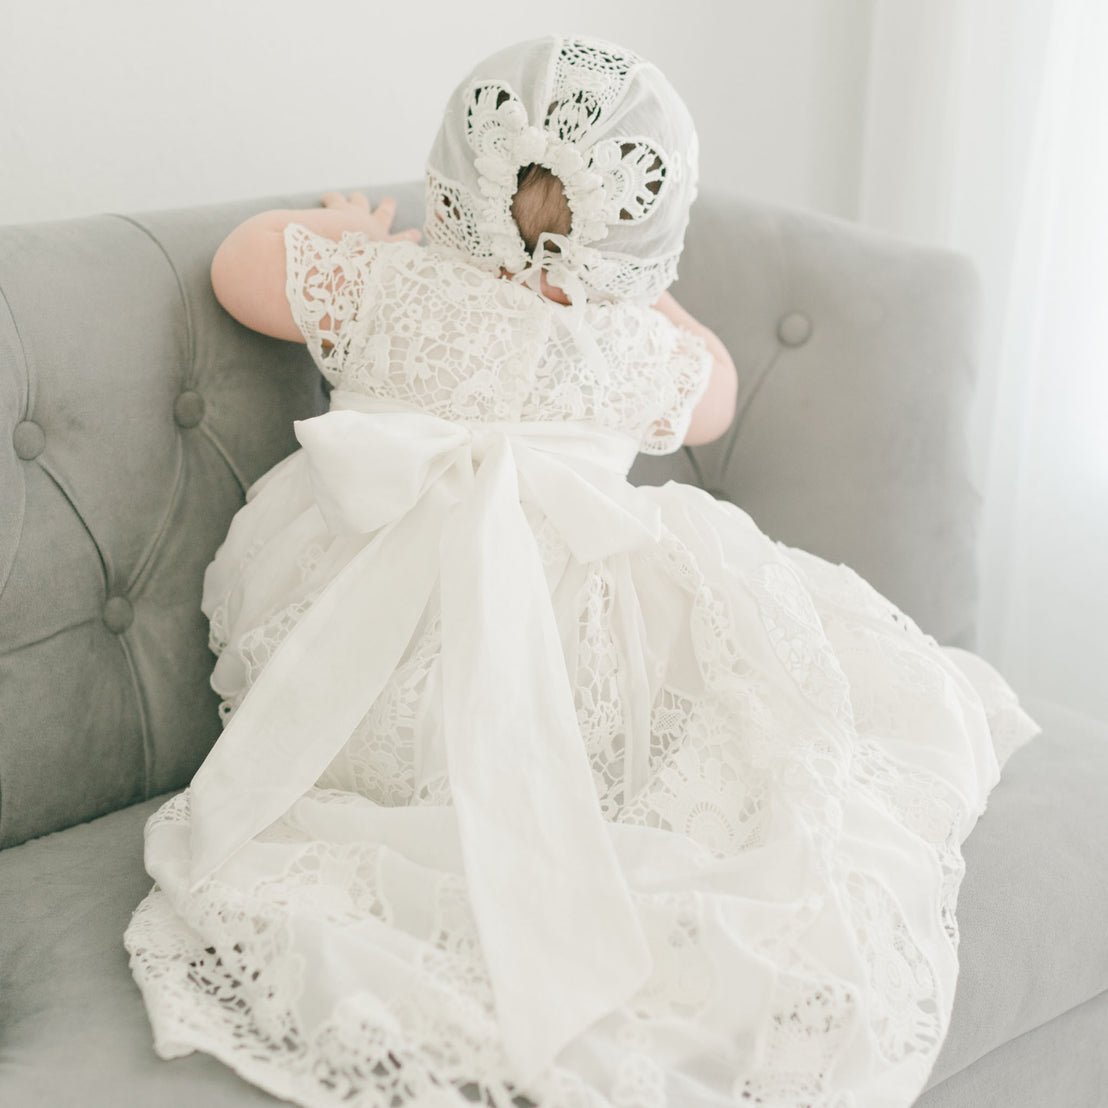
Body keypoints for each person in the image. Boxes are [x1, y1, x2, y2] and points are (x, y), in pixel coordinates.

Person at [124, 35, 1038, 1108]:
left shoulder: (388, 280)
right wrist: (654, 305)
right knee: (694, 704)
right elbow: (718, 396)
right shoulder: (634, 343)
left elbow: (241, 267)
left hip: (364, 635)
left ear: (456, 175)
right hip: (563, 660)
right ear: (643, 238)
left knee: (388, 718)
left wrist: (342, 232)